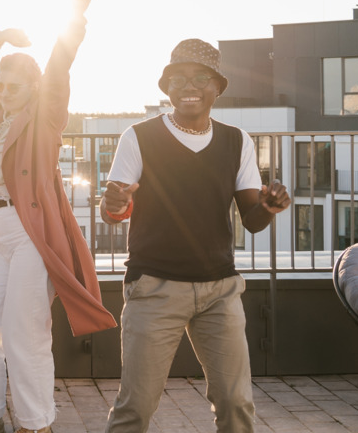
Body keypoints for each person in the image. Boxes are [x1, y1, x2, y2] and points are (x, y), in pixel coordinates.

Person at [100, 39, 291, 433]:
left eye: (200, 77)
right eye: (178, 78)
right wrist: (114, 202)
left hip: (219, 291)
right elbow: (114, 212)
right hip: (154, 288)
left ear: (217, 87)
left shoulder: (237, 141)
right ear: (166, 88)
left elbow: (253, 220)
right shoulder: (138, 137)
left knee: (237, 405)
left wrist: (268, 208)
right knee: (135, 407)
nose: (189, 86)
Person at [0, 0, 118, 433]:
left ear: (33, 88)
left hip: (32, 233)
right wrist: (1, 36)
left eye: (15, 86)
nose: (5, 91)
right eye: (2, 85)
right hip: (3, 233)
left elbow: (60, 62)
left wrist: (74, 14)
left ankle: (35, 423)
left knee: (25, 332)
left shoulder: (46, 114)